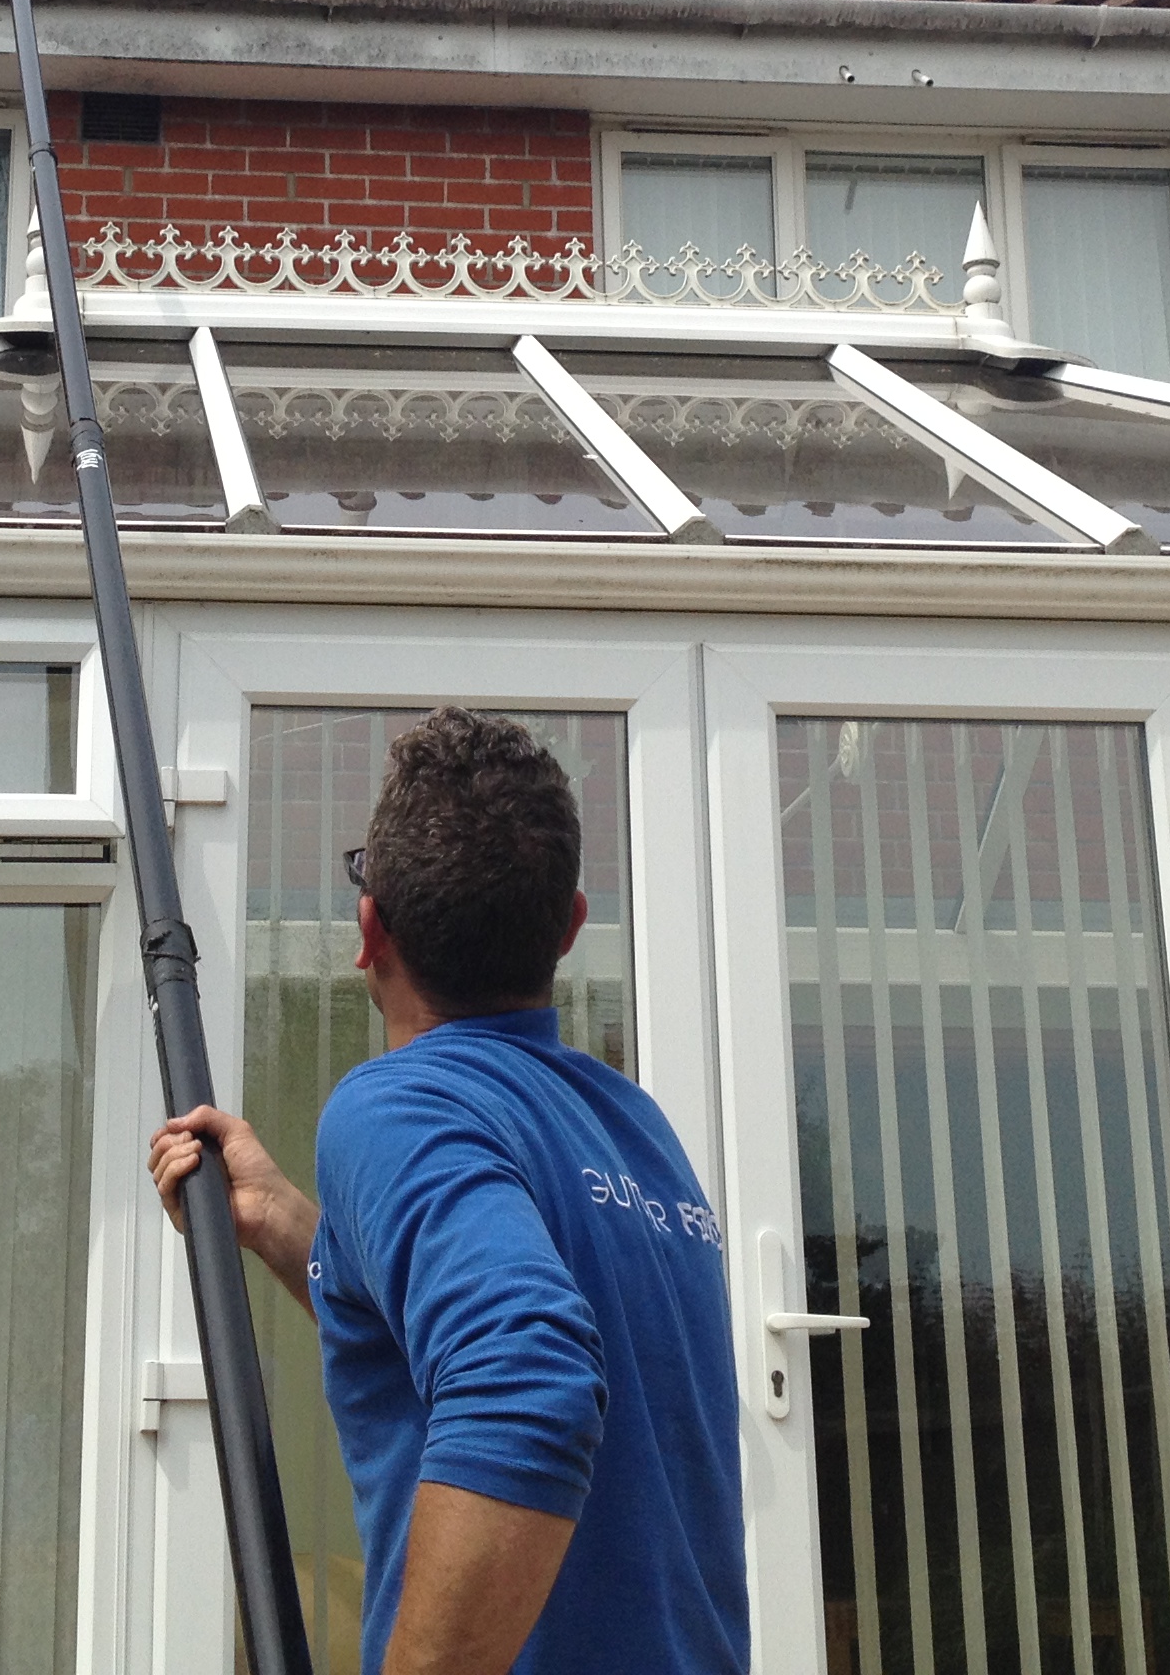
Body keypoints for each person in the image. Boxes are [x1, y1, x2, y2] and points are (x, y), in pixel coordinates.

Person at [148, 709, 747, 1675]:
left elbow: (527, 1378)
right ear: (569, 929)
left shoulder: (397, 1107)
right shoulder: (636, 1131)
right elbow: (456, 1323)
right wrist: (282, 1223)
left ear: (369, 926)